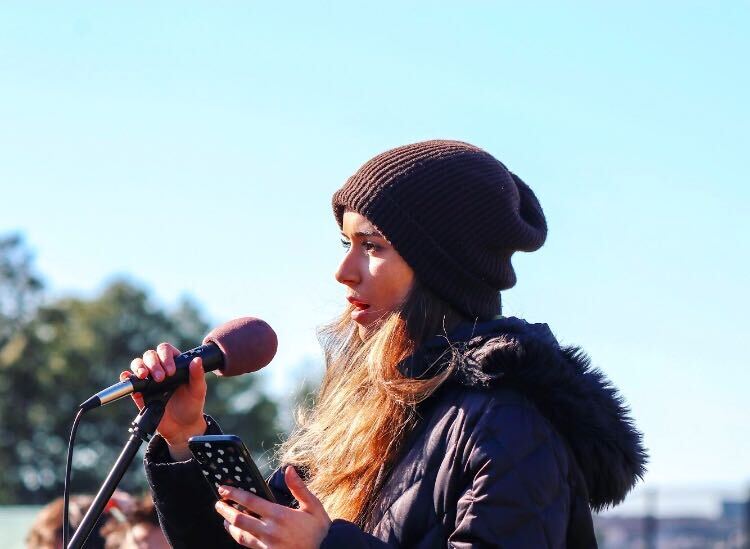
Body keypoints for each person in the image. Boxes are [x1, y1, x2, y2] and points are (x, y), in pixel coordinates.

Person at [130, 140, 647, 548]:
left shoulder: (508, 427)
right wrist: (182, 436)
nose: (344, 271)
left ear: (441, 267)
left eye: (373, 246)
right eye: (346, 244)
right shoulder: (366, 415)